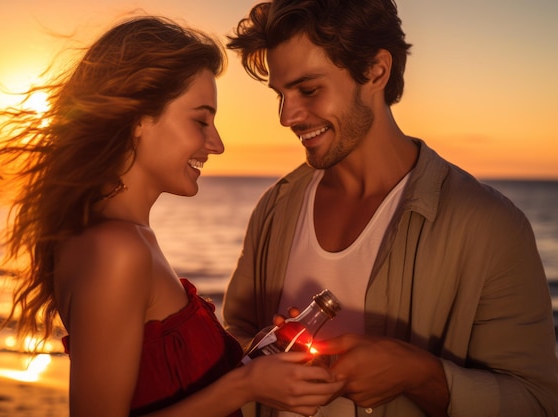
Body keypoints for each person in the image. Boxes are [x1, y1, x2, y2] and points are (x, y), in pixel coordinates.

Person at [0, 15, 345, 417]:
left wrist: (256, 362)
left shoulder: (129, 237)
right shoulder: (115, 249)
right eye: (200, 120)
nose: (216, 144)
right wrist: (244, 385)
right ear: (138, 120)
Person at [222, 1, 558, 416]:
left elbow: (537, 403)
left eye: (308, 90)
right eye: (281, 94)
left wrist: (420, 375)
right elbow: (233, 338)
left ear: (376, 71)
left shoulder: (490, 226)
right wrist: (263, 349)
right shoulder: (276, 206)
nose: (287, 115)